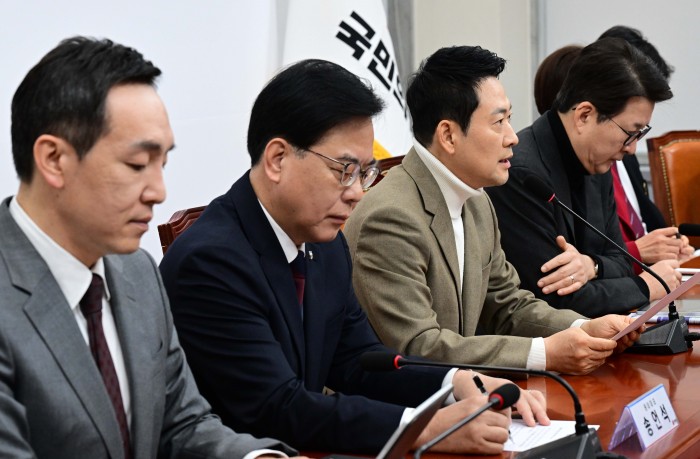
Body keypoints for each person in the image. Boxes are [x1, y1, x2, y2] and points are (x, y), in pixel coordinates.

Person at [159, 59, 547, 457]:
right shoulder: (210, 262)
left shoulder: (324, 244)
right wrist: (425, 428)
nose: (357, 193)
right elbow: (277, 406)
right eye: (344, 170)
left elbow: (358, 361)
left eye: (365, 172)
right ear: (277, 159)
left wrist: (456, 383)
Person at [0, 36, 297, 459]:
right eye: (137, 165)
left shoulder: (137, 271)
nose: (159, 191)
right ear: (53, 159)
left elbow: (183, 424)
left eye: (163, 164)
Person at [343, 45, 638, 375]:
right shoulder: (390, 218)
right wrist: (545, 353)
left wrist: (583, 327)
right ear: (448, 135)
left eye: (509, 119)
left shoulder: (477, 201)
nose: (512, 137)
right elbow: (418, 347)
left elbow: (508, 305)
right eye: (498, 122)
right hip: (402, 400)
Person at [486, 37, 682, 317]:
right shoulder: (521, 175)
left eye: (641, 134)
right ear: (584, 115)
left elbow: (621, 259)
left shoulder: (596, 160)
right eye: (630, 133)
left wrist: (593, 266)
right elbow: (555, 300)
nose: (631, 149)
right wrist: (646, 286)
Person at [597, 26, 694, 270]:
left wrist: (671, 245)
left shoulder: (627, 152)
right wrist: (641, 251)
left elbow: (646, 221)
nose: (632, 146)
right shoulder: (593, 160)